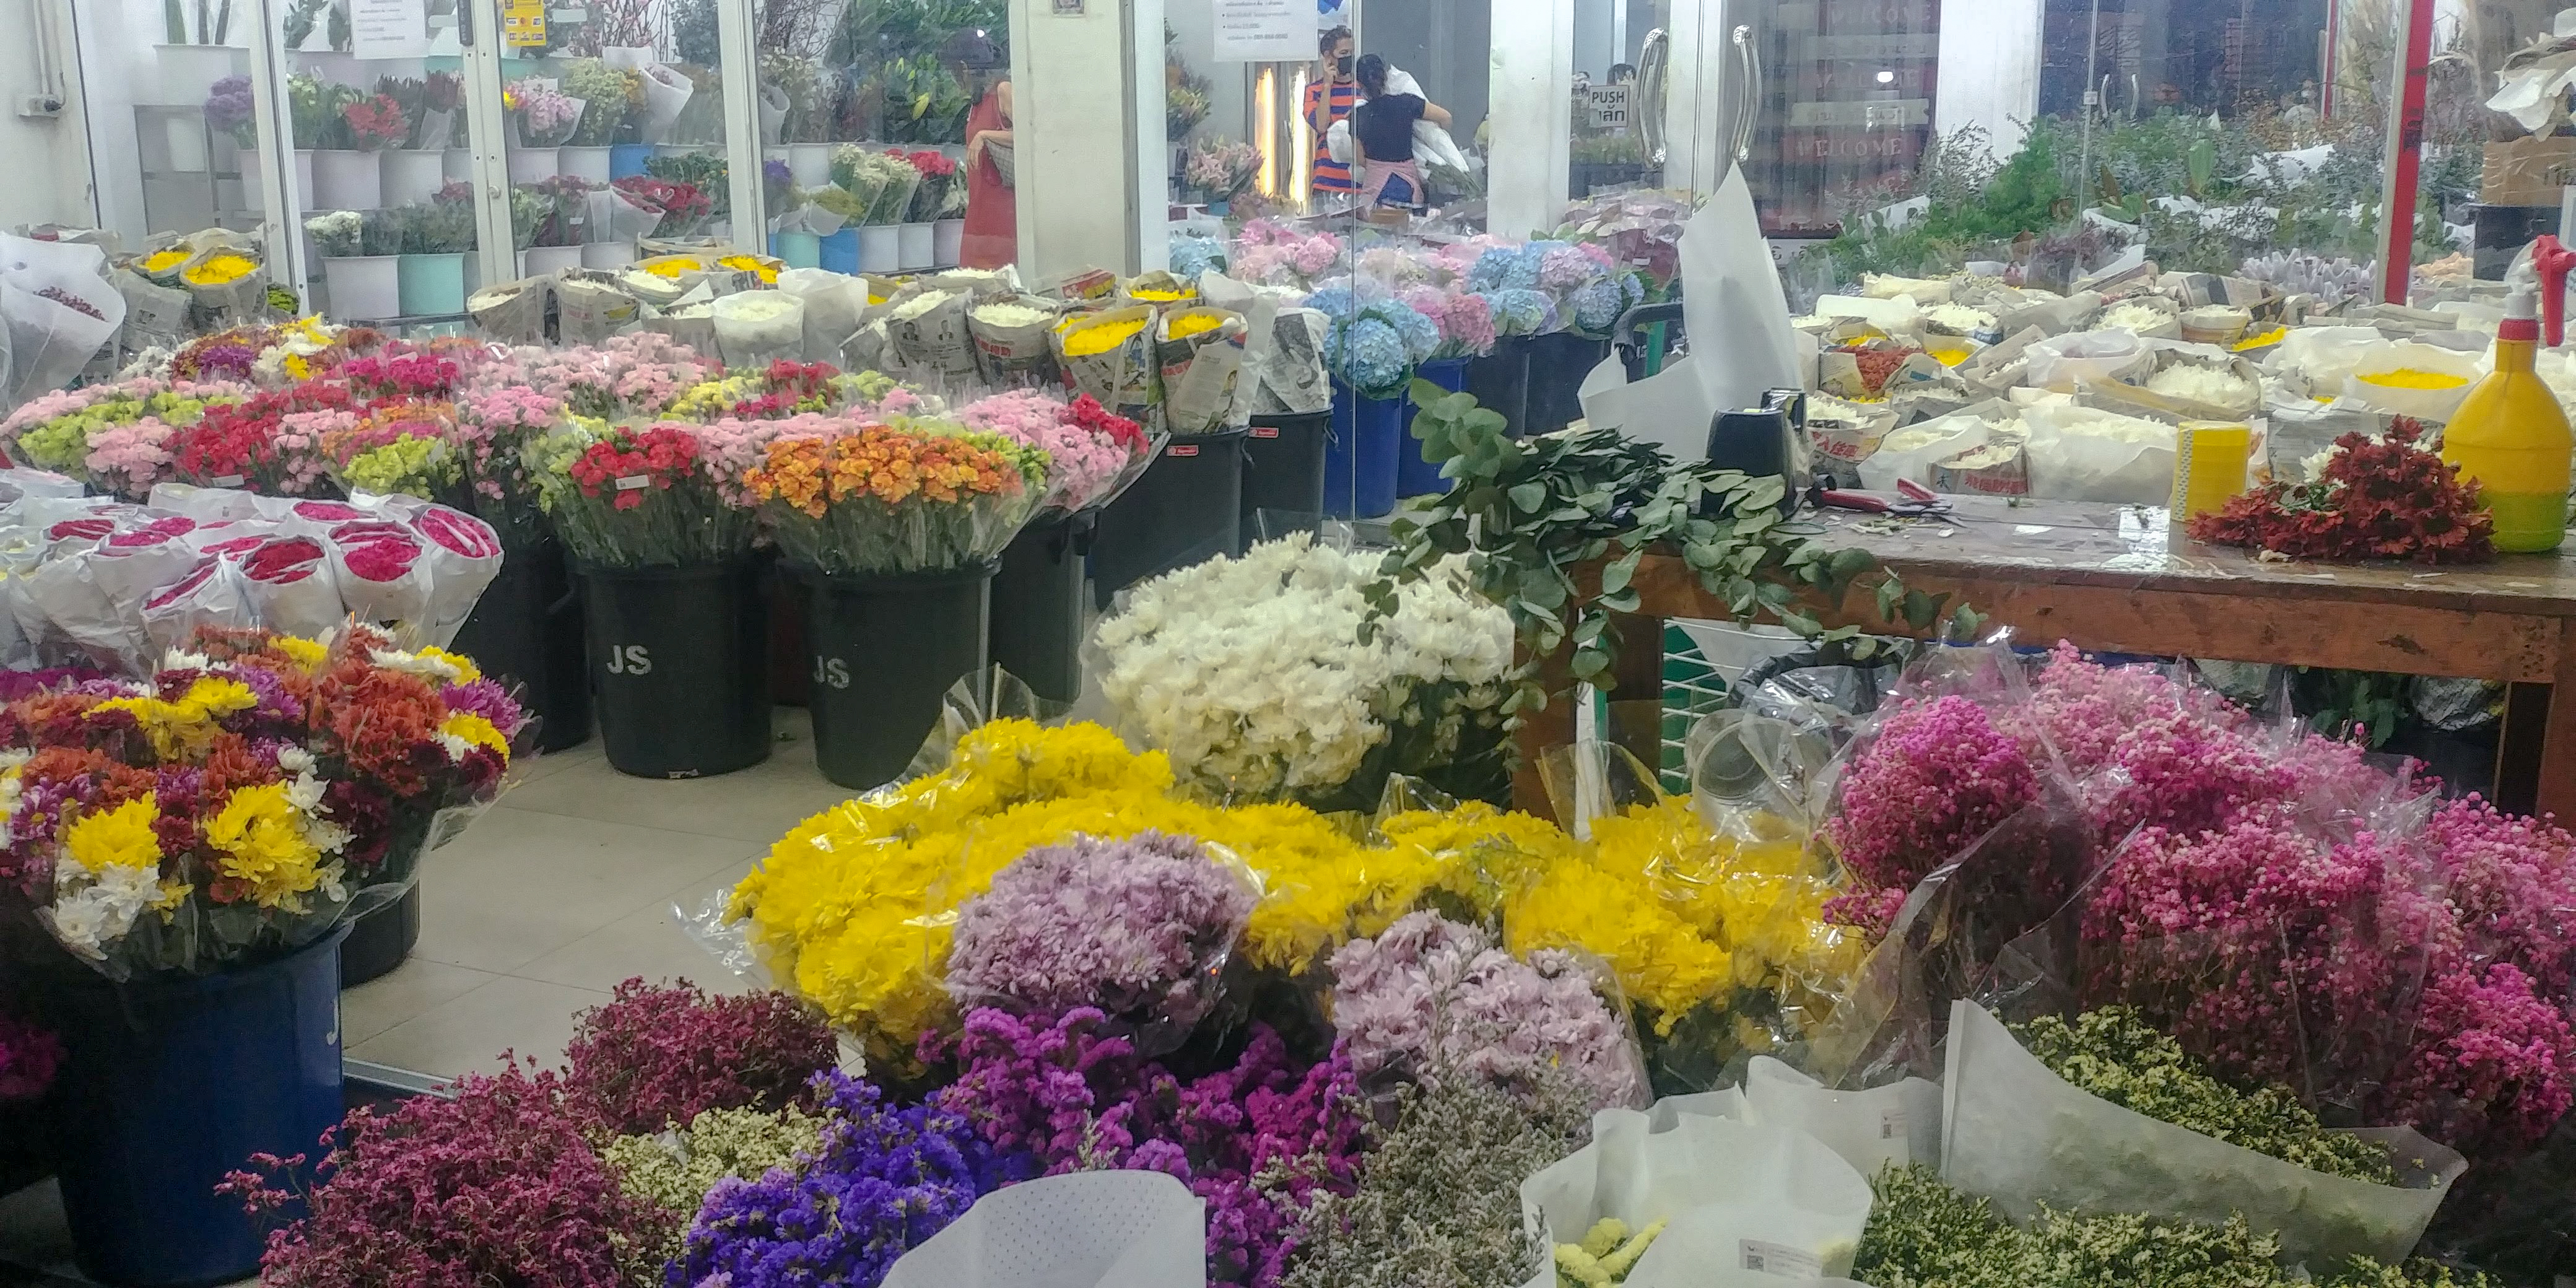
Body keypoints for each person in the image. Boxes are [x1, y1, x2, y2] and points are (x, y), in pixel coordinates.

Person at [1349, 53, 1450, 211]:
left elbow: (1360, 159)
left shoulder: (1358, 115)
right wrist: (1435, 144)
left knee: (1375, 232)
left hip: (1376, 191)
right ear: (1386, 77)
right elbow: (1445, 117)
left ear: (1358, 83)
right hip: (1407, 187)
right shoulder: (1407, 103)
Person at [953, 27, 1016, 269]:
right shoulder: (977, 101)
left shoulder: (1003, 90)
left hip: (1003, 202)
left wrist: (984, 135)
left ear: (964, 68)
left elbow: (1033, 138)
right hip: (980, 201)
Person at [1303, 27, 1359, 200]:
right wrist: (1327, 86)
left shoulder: (1363, 88)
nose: (1348, 58)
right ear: (1329, 57)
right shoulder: (1314, 91)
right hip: (1327, 182)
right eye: (1343, 53)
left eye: (1351, 52)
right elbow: (1321, 126)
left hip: (1360, 182)